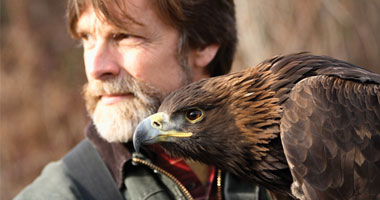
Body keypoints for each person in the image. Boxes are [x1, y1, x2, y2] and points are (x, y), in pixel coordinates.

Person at [15, 0, 268, 199]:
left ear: (203, 44)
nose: (96, 67)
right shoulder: (60, 194)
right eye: (87, 39)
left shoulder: (293, 156)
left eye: (123, 36)